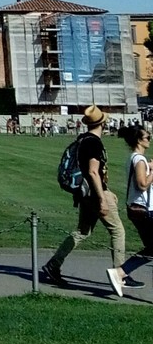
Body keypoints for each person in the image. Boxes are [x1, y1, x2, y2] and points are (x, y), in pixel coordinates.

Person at [41, 106, 127, 297]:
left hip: (84, 194)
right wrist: (102, 198)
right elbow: (93, 172)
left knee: (82, 231)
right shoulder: (94, 143)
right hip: (95, 195)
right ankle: (119, 273)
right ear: (103, 123)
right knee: (117, 230)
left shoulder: (81, 140)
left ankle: (53, 264)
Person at [124, 124, 153, 273]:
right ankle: (121, 272)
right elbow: (142, 184)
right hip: (143, 209)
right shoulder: (140, 159)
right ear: (139, 140)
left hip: (136, 206)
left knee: (151, 249)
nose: (150, 139)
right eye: (147, 137)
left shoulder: (135, 158)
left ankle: (121, 272)